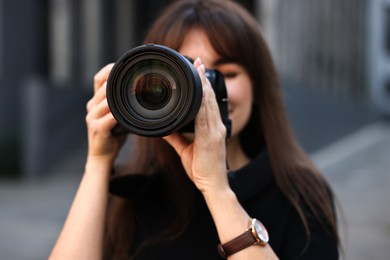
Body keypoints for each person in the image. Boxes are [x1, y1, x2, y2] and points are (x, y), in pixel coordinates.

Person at [50, 0, 340, 259]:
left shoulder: (302, 196)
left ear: (258, 86)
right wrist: (98, 163)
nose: (204, 91)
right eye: (184, 73)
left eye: (225, 74)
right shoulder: (128, 192)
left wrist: (216, 187)